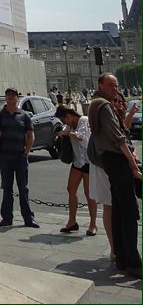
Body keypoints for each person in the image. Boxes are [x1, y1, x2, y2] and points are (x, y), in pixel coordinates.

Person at [88, 73, 141, 277]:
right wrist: (132, 162)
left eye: (117, 85)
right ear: (101, 84)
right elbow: (119, 139)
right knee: (128, 212)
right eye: (111, 85)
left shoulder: (95, 104)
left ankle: (120, 257)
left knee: (118, 209)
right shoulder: (104, 106)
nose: (115, 88)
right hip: (117, 160)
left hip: (109, 161)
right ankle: (132, 261)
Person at [0, 87, 39, 228]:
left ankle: (28, 218)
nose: (11, 98)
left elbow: (31, 136)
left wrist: (26, 152)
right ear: (5, 98)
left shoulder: (24, 115)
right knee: (7, 188)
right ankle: (7, 218)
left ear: (17, 98)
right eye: (8, 95)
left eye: (13, 96)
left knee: (23, 188)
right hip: (5, 157)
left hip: (20, 157)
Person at [54, 104, 97, 235]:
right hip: (77, 162)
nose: (64, 122)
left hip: (88, 162)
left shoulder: (84, 120)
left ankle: (93, 224)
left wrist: (69, 133)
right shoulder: (69, 125)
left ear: (68, 116)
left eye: (63, 119)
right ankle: (72, 221)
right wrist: (62, 132)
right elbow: (64, 131)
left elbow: (84, 139)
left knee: (89, 193)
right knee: (71, 189)